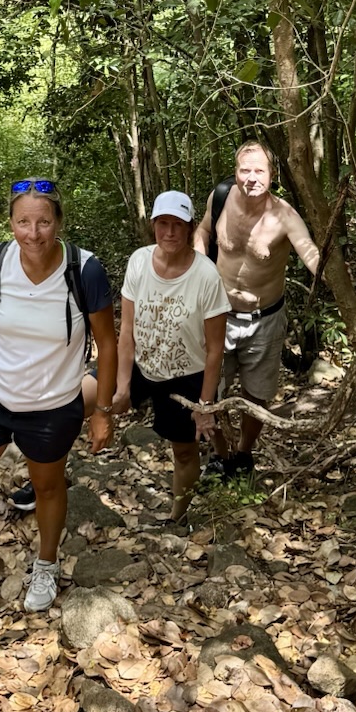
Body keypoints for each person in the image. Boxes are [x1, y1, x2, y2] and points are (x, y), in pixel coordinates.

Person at [0, 179, 116, 626]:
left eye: (43, 222)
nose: (33, 234)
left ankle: (46, 563)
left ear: (59, 223)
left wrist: (102, 411)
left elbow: (108, 344)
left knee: (47, 488)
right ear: (11, 223)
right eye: (23, 222)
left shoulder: (84, 270)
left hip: (52, 403)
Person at [193, 140, 320, 477]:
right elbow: (203, 230)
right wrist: (197, 265)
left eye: (259, 171)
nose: (251, 178)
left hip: (264, 319)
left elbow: (309, 251)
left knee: (257, 394)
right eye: (245, 170)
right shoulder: (221, 197)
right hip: (218, 315)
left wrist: (330, 274)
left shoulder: (284, 216)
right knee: (211, 390)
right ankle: (220, 455)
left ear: (272, 174)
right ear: (235, 172)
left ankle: (244, 454)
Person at [112, 190, 230, 523]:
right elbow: (127, 330)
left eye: (178, 224)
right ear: (153, 225)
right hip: (142, 364)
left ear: (191, 227)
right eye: (163, 223)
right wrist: (122, 386)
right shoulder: (139, 261)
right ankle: (44, 470)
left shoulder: (206, 276)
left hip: (186, 375)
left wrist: (204, 405)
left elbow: (215, 349)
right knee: (84, 396)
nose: (170, 232)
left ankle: (177, 517)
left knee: (185, 451)